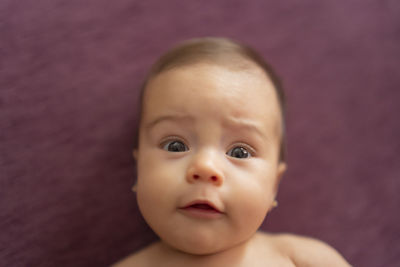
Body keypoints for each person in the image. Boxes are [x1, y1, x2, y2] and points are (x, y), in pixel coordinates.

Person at [114, 37, 351, 266]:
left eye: (240, 152)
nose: (205, 167)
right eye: (175, 146)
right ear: (139, 170)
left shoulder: (302, 259)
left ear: (273, 185)